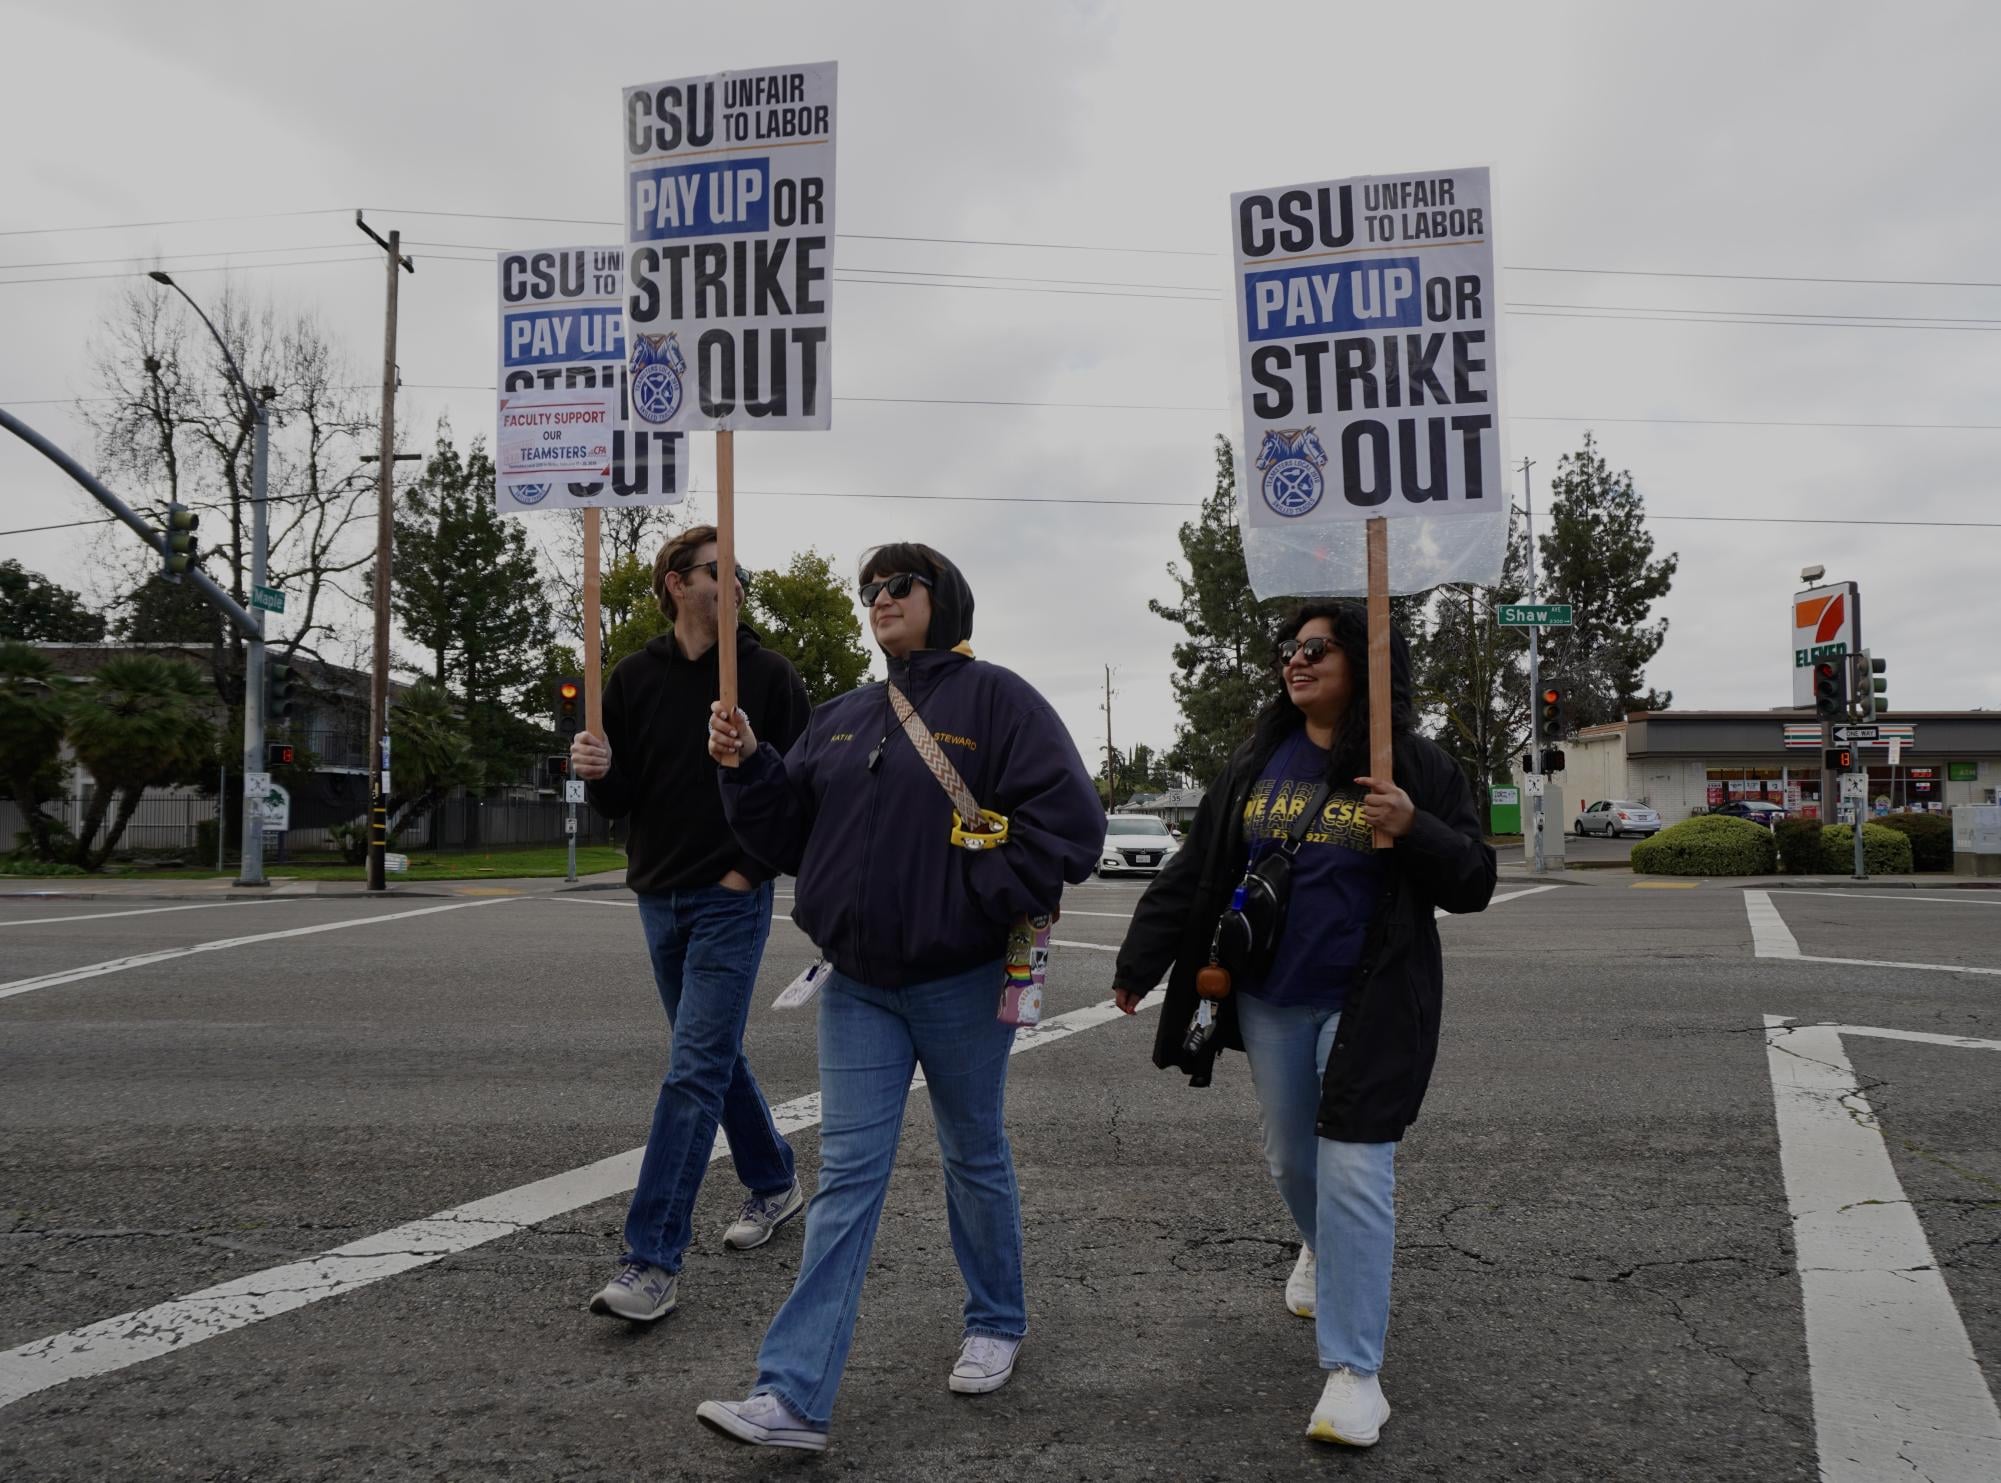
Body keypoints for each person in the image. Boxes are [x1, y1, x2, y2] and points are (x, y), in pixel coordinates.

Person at [694, 542, 1102, 1452]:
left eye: (898, 584)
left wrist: (978, 894)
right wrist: (748, 763)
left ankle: (996, 1319)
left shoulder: (999, 700)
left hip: (963, 980)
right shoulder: (842, 715)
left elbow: (1071, 823)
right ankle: (791, 1395)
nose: (879, 598)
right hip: (856, 987)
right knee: (846, 1177)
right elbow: (784, 834)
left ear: (942, 597)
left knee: (972, 1153)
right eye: (869, 588)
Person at [1109, 601, 1495, 1448]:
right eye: (1289, 647)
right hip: (1268, 997)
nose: (1297, 658)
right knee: (1291, 1157)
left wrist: (1414, 826)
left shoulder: (1416, 765)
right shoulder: (1258, 757)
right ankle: (1322, 1250)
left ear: (1363, 660)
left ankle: (1354, 1373)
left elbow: (1473, 879)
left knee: (1354, 1168)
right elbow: (1198, 864)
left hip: (1371, 999)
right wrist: (1140, 959)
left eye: (1317, 646)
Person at [570, 524, 812, 1325]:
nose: (735, 581)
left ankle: (651, 1259)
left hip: (729, 896)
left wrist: (749, 867)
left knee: (691, 1069)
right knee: (710, 1058)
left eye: (740, 570)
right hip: (657, 894)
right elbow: (622, 797)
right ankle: (774, 1179)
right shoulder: (633, 676)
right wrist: (598, 772)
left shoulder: (767, 674)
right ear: (677, 583)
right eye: (719, 569)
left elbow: (802, 790)